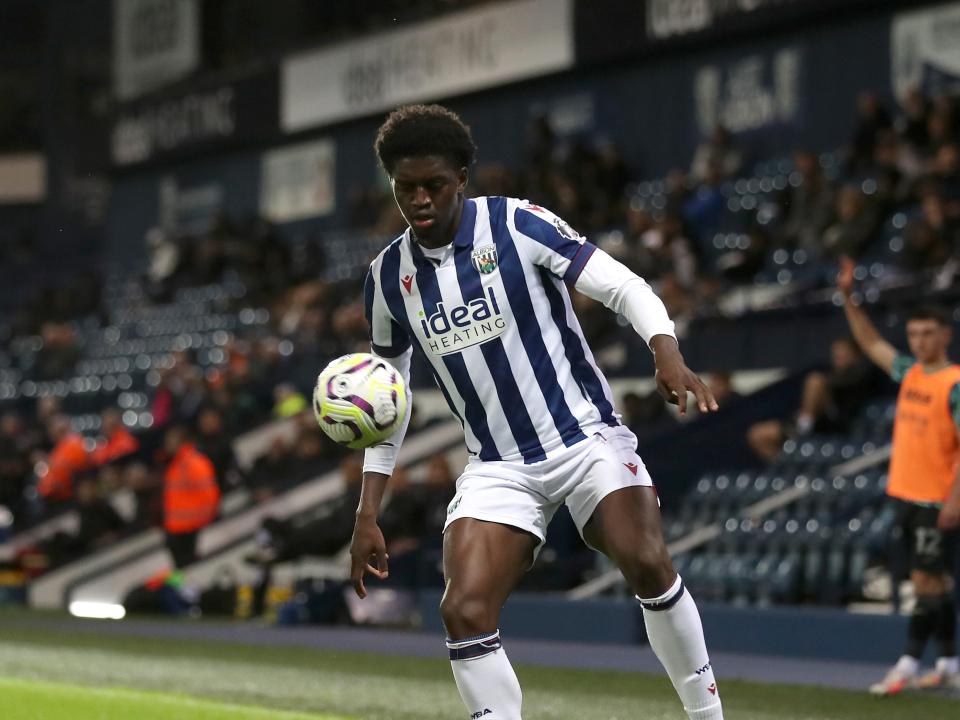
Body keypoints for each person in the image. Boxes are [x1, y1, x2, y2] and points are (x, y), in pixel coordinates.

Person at [350, 104, 723, 720]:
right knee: (463, 609)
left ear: (462, 179)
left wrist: (666, 351)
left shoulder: (518, 224)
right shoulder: (387, 278)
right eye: (405, 187)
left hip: (585, 439)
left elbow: (624, 285)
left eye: (434, 185)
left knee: (646, 559)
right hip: (497, 466)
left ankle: (707, 716)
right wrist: (368, 510)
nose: (420, 199)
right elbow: (388, 400)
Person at [838, 258, 960, 694]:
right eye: (914, 334)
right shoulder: (909, 372)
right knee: (933, 581)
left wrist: (954, 500)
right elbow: (871, 342)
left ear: (945, 335)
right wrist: (849, 299)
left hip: (935, 500)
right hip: (905, 495)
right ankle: (948, 661)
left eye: (929, 333)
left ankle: (907, 663)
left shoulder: (954, 382)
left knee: (926, 582)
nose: (920, 340)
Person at [747, 337, 876, 462]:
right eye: (835, 353)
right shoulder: (830, 373)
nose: (838, 357)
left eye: (843, 353)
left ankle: (805, 425)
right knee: (757, 434)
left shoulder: (860, 374)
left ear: (855, 355)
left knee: (814, 380)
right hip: (814, 423)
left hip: (837, 424)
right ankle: (786, 467)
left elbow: (844, 393)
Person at [162, 425, 220, 569]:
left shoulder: (192, 463)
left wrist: (204, 518)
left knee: (192, 571)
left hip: (190, 528)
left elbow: (209, 494)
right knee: (182, 572)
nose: (167, 444)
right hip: (178, 529)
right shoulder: (177, 463)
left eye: (170, 440)